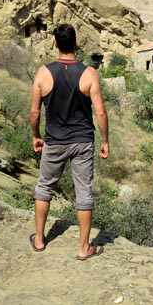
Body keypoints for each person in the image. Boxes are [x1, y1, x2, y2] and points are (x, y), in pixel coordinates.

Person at [29, 24, 110, 260]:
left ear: (55, 44)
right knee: (83, 191)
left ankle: (40, 240)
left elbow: (34, 112)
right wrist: (105, 140)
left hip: (54, 141)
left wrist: (36, 135)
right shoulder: (89, 73)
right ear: (76, 43)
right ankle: (84, 248)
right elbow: (101, 112)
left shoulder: (43, 73)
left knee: (45, 186)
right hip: (83, 141)